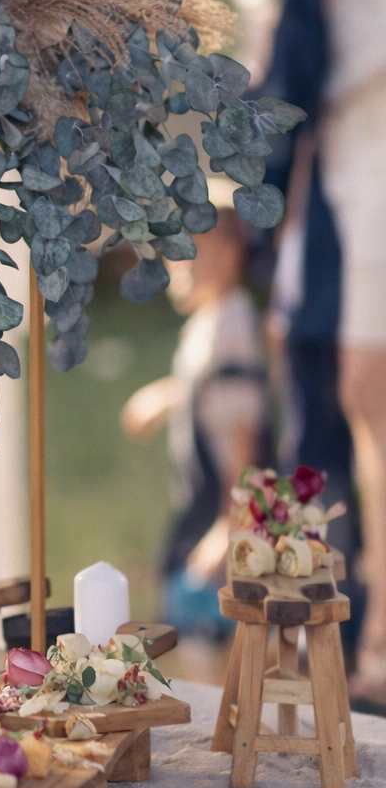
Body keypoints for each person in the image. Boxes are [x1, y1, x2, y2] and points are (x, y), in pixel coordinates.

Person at [212, 0, 386, 698]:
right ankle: (335, 622)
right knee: (311, 377)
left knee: (375, 385)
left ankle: (382, 640)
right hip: (320, 175)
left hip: (381, 156)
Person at [121, 204, 270, 639]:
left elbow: (247, 432)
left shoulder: (232, 325)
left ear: (229, 255)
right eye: (172, 255)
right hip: (200, 514)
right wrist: (166, 395)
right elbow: (207, 387)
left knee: (202, 642)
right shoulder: (211, 322)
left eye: (192, 253)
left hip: (220, 522)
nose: (178, 266)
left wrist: (230, 528)